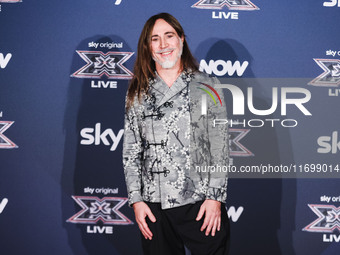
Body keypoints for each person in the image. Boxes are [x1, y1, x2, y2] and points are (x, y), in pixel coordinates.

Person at [123, 13, 230, 255]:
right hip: (154, 206)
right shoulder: (138, 91)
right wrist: (137, 201)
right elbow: (131, 151)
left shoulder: (207, 84)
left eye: (169, 36)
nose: (163, 45)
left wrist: (215, 199)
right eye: (155, 39)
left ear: (181, 40)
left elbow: (220, 146)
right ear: (147, 47)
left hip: (200, 203)